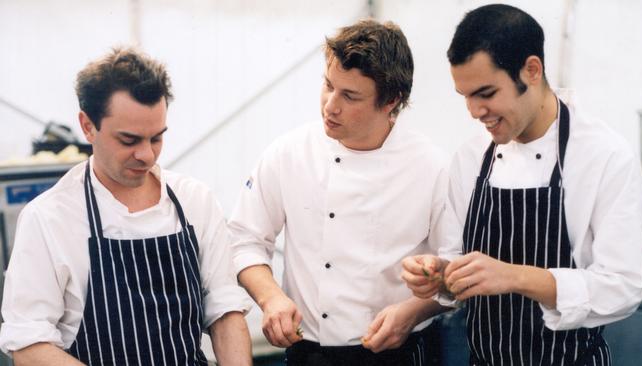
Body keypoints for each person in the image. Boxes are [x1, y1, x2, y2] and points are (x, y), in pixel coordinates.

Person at [402, 4, 642, 366]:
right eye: (466, 96)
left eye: (486, 93)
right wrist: (440, 277)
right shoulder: (471, 158)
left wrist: (515, 276)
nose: (474, 111)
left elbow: (623, 286)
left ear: (532, 70)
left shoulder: (604, 157)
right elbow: (454, 259)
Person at [0, 47, 253, 365]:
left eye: (157, 138)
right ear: (88, 126)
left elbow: (225, 309)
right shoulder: (48, 219)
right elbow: (28, 343)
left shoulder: (194, 201)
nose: (147, 155)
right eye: (129, 140)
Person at [229, 19, 455, 365]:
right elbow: (244, 240)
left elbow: (456, 273)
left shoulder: (433, 168)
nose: (330, 105)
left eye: (349, 96)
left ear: (390, 101)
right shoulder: (288, 153)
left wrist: (413, 311)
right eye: (328, 85)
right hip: (307, 353)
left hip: (396, 353)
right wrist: (271, 298)